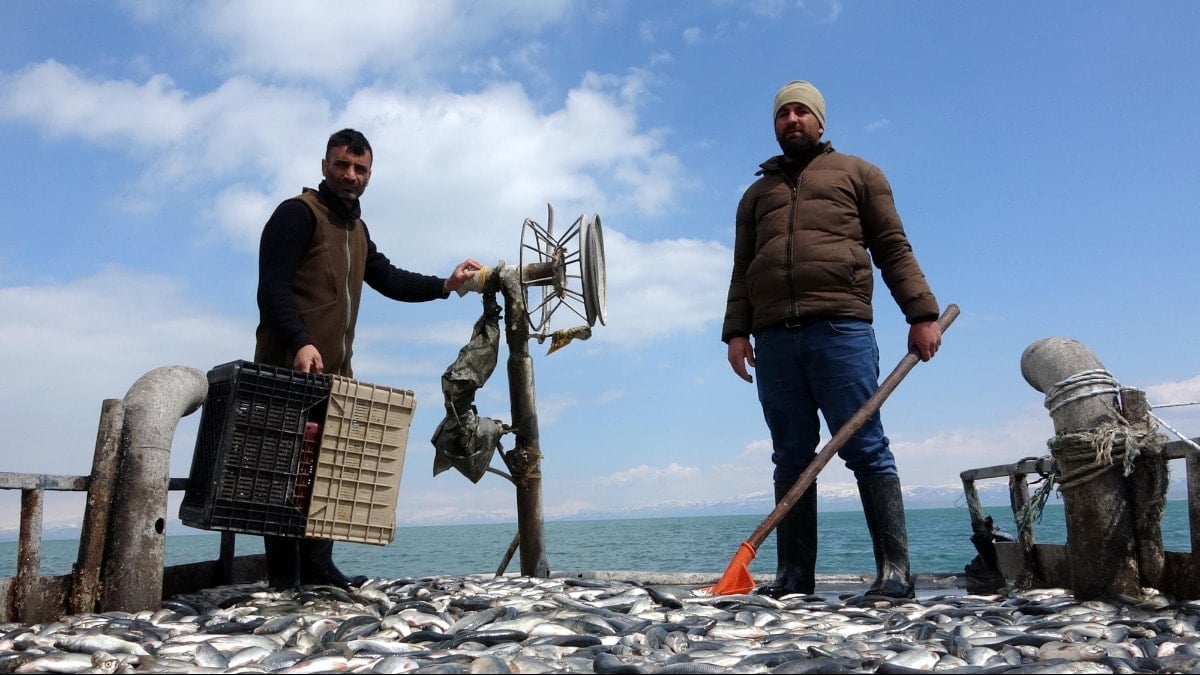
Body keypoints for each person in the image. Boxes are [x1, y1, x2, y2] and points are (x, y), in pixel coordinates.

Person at [722, 81, 942, 600]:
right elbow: (741, 270)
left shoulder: (859, 174)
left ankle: (894, 574)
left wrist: (922, 313)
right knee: (790, 457)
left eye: (802, 112)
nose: (792, 120)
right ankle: (795, 578)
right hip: (773, 340)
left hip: (841, 329)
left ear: (820, 122)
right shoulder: (756, 197)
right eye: (783, 114)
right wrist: (735, 332)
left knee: (866, 448)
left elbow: (892, 246)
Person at [255, 128, 482, 590]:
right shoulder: (297, 215)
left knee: (330, 470)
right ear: (324, 166)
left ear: (370, 175)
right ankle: (285, 579)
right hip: (286, 367)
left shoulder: (356, 231)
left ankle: (319, 568)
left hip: (335, 375)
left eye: (360, 169)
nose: (350, 175)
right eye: (342, 165)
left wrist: (445, 284)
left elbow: (390, 278)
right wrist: (300, 340)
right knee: (284, 473)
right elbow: (272, 288)